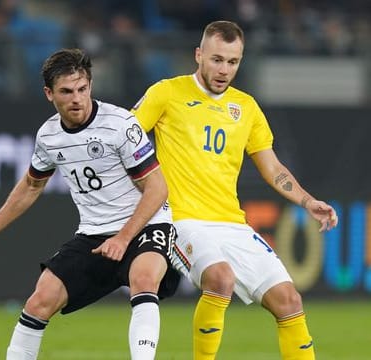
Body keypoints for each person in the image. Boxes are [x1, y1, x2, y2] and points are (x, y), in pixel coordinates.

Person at [0, 48, 179, 360]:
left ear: (90, 86)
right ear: (49, 94)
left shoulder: (120, 125)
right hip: (94, 232)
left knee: (143, 279)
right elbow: (31, 185)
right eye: (66, 91)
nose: (77, 99)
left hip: (145, 224)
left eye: (83, 89)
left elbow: (157, 189)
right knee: (39, 301)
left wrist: (123, 238)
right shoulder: (49, 136)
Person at [131, 20, 338, 360]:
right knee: (220, 278)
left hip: (232, 223)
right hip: (180, 219)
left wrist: (306, 199)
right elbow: (126, 140)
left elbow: (272, 167)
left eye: (232, 61)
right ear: (199, 55)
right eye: (216, 59)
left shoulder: (247, 107)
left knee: (289, 300)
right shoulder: (166, 92)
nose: (224, 69)